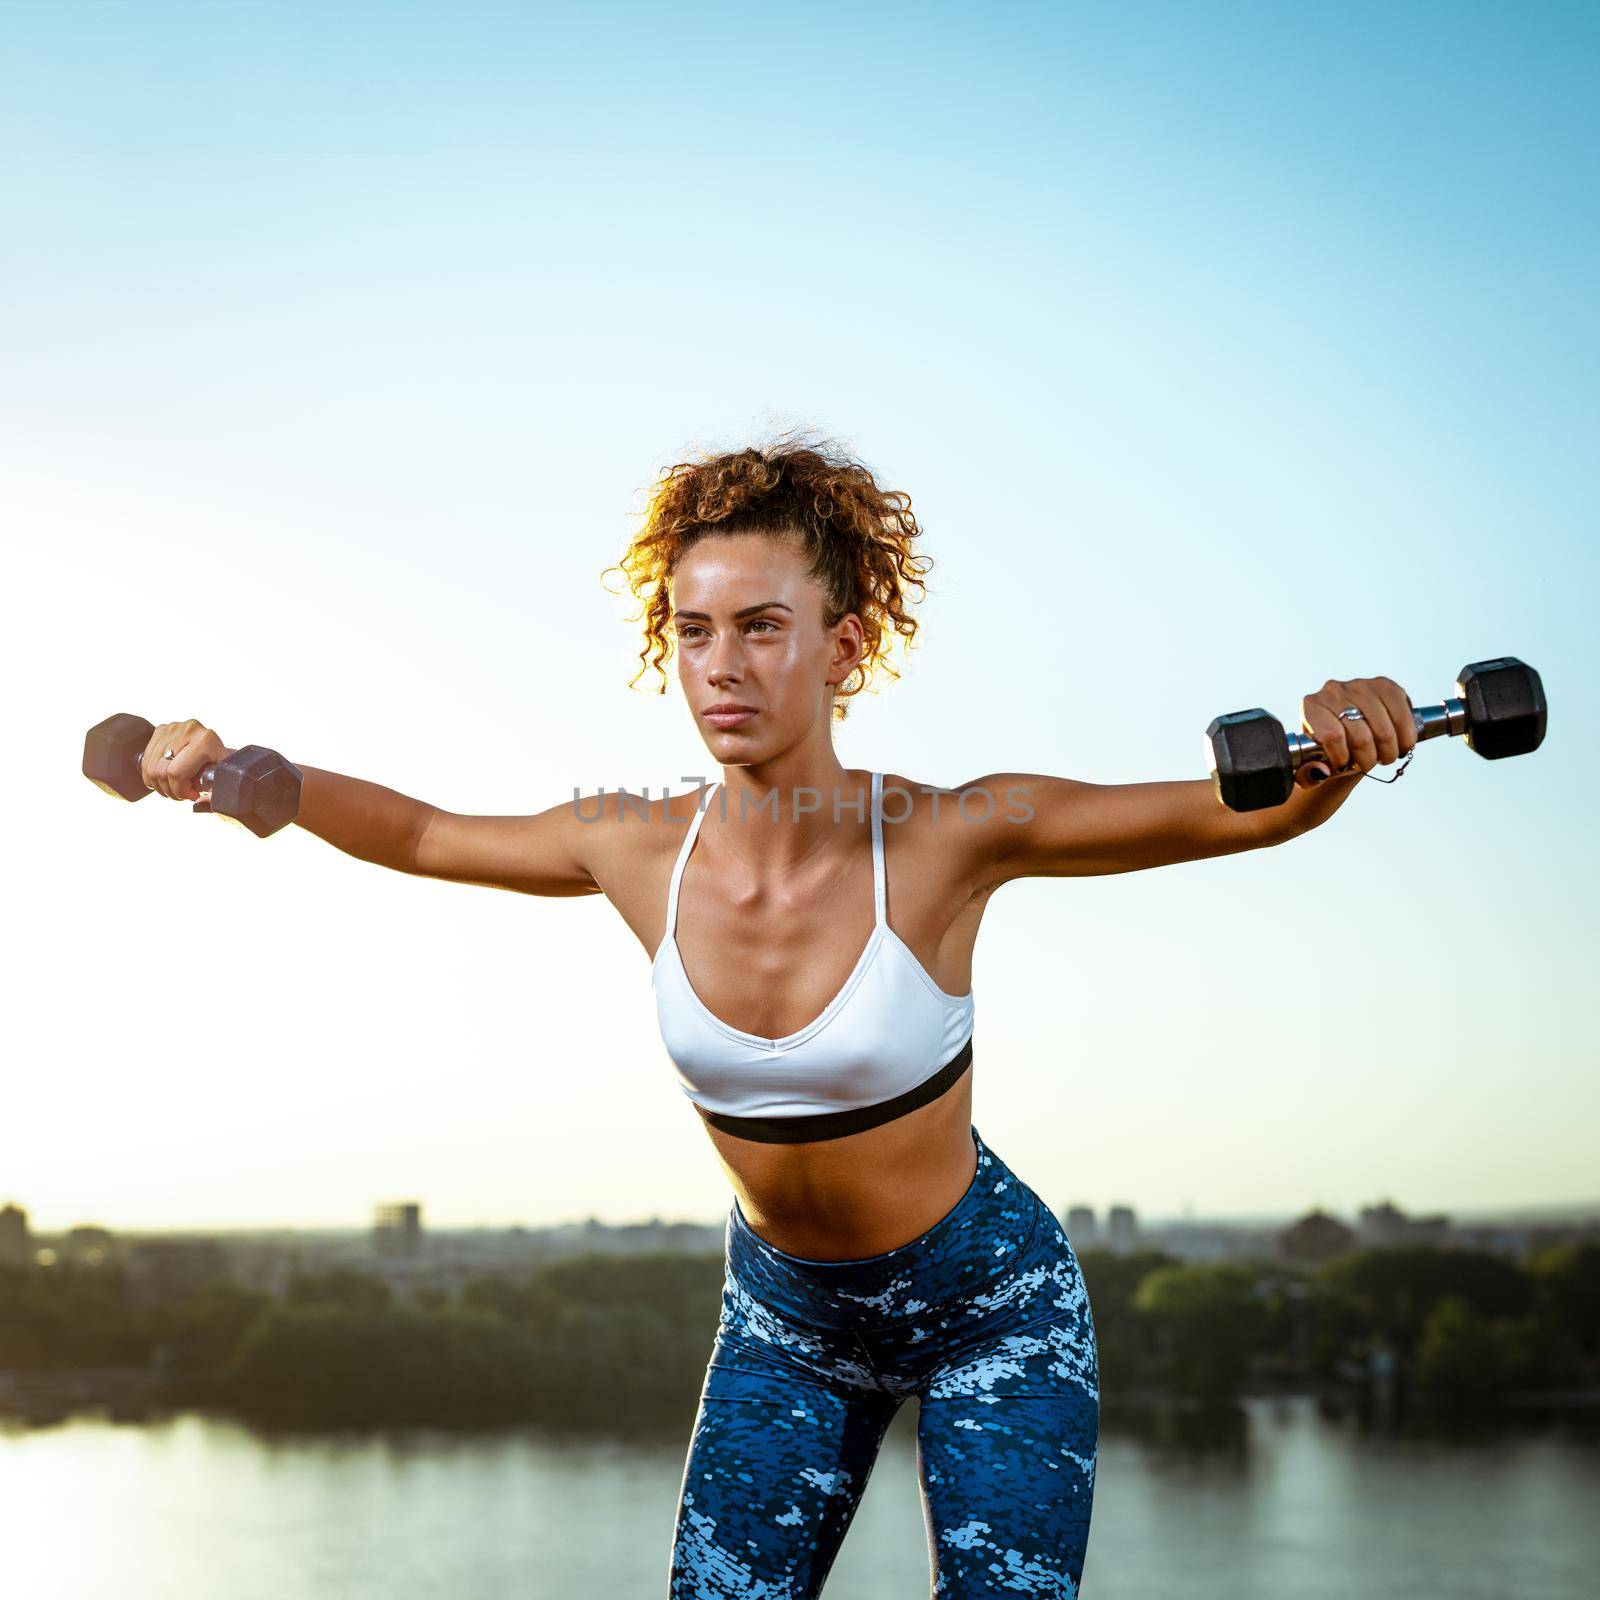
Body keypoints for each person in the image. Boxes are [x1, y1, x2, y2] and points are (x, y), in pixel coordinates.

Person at [138, 433, 1417, 1597]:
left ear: (842, 646)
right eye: (693, 631)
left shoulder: (944, 836)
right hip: (785, 1320)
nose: (722, 666)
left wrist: (1335, 753)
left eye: (761, 626)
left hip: (992, 1307)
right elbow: (422, 830)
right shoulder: (631, 844)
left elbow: (1224, 808)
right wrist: (258, 776)